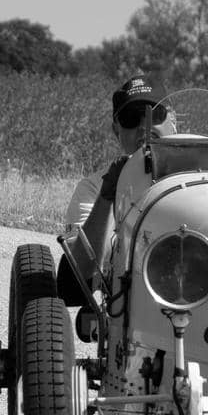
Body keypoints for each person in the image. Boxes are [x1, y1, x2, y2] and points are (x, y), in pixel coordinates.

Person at [59, 75, 176, 304]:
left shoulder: (203, 176)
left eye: (155, 114)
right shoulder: (94, 187)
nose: (144, 126)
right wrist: (107, 197)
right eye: (131, 118)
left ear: (173, 121)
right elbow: (82, 273)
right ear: (116, 130)